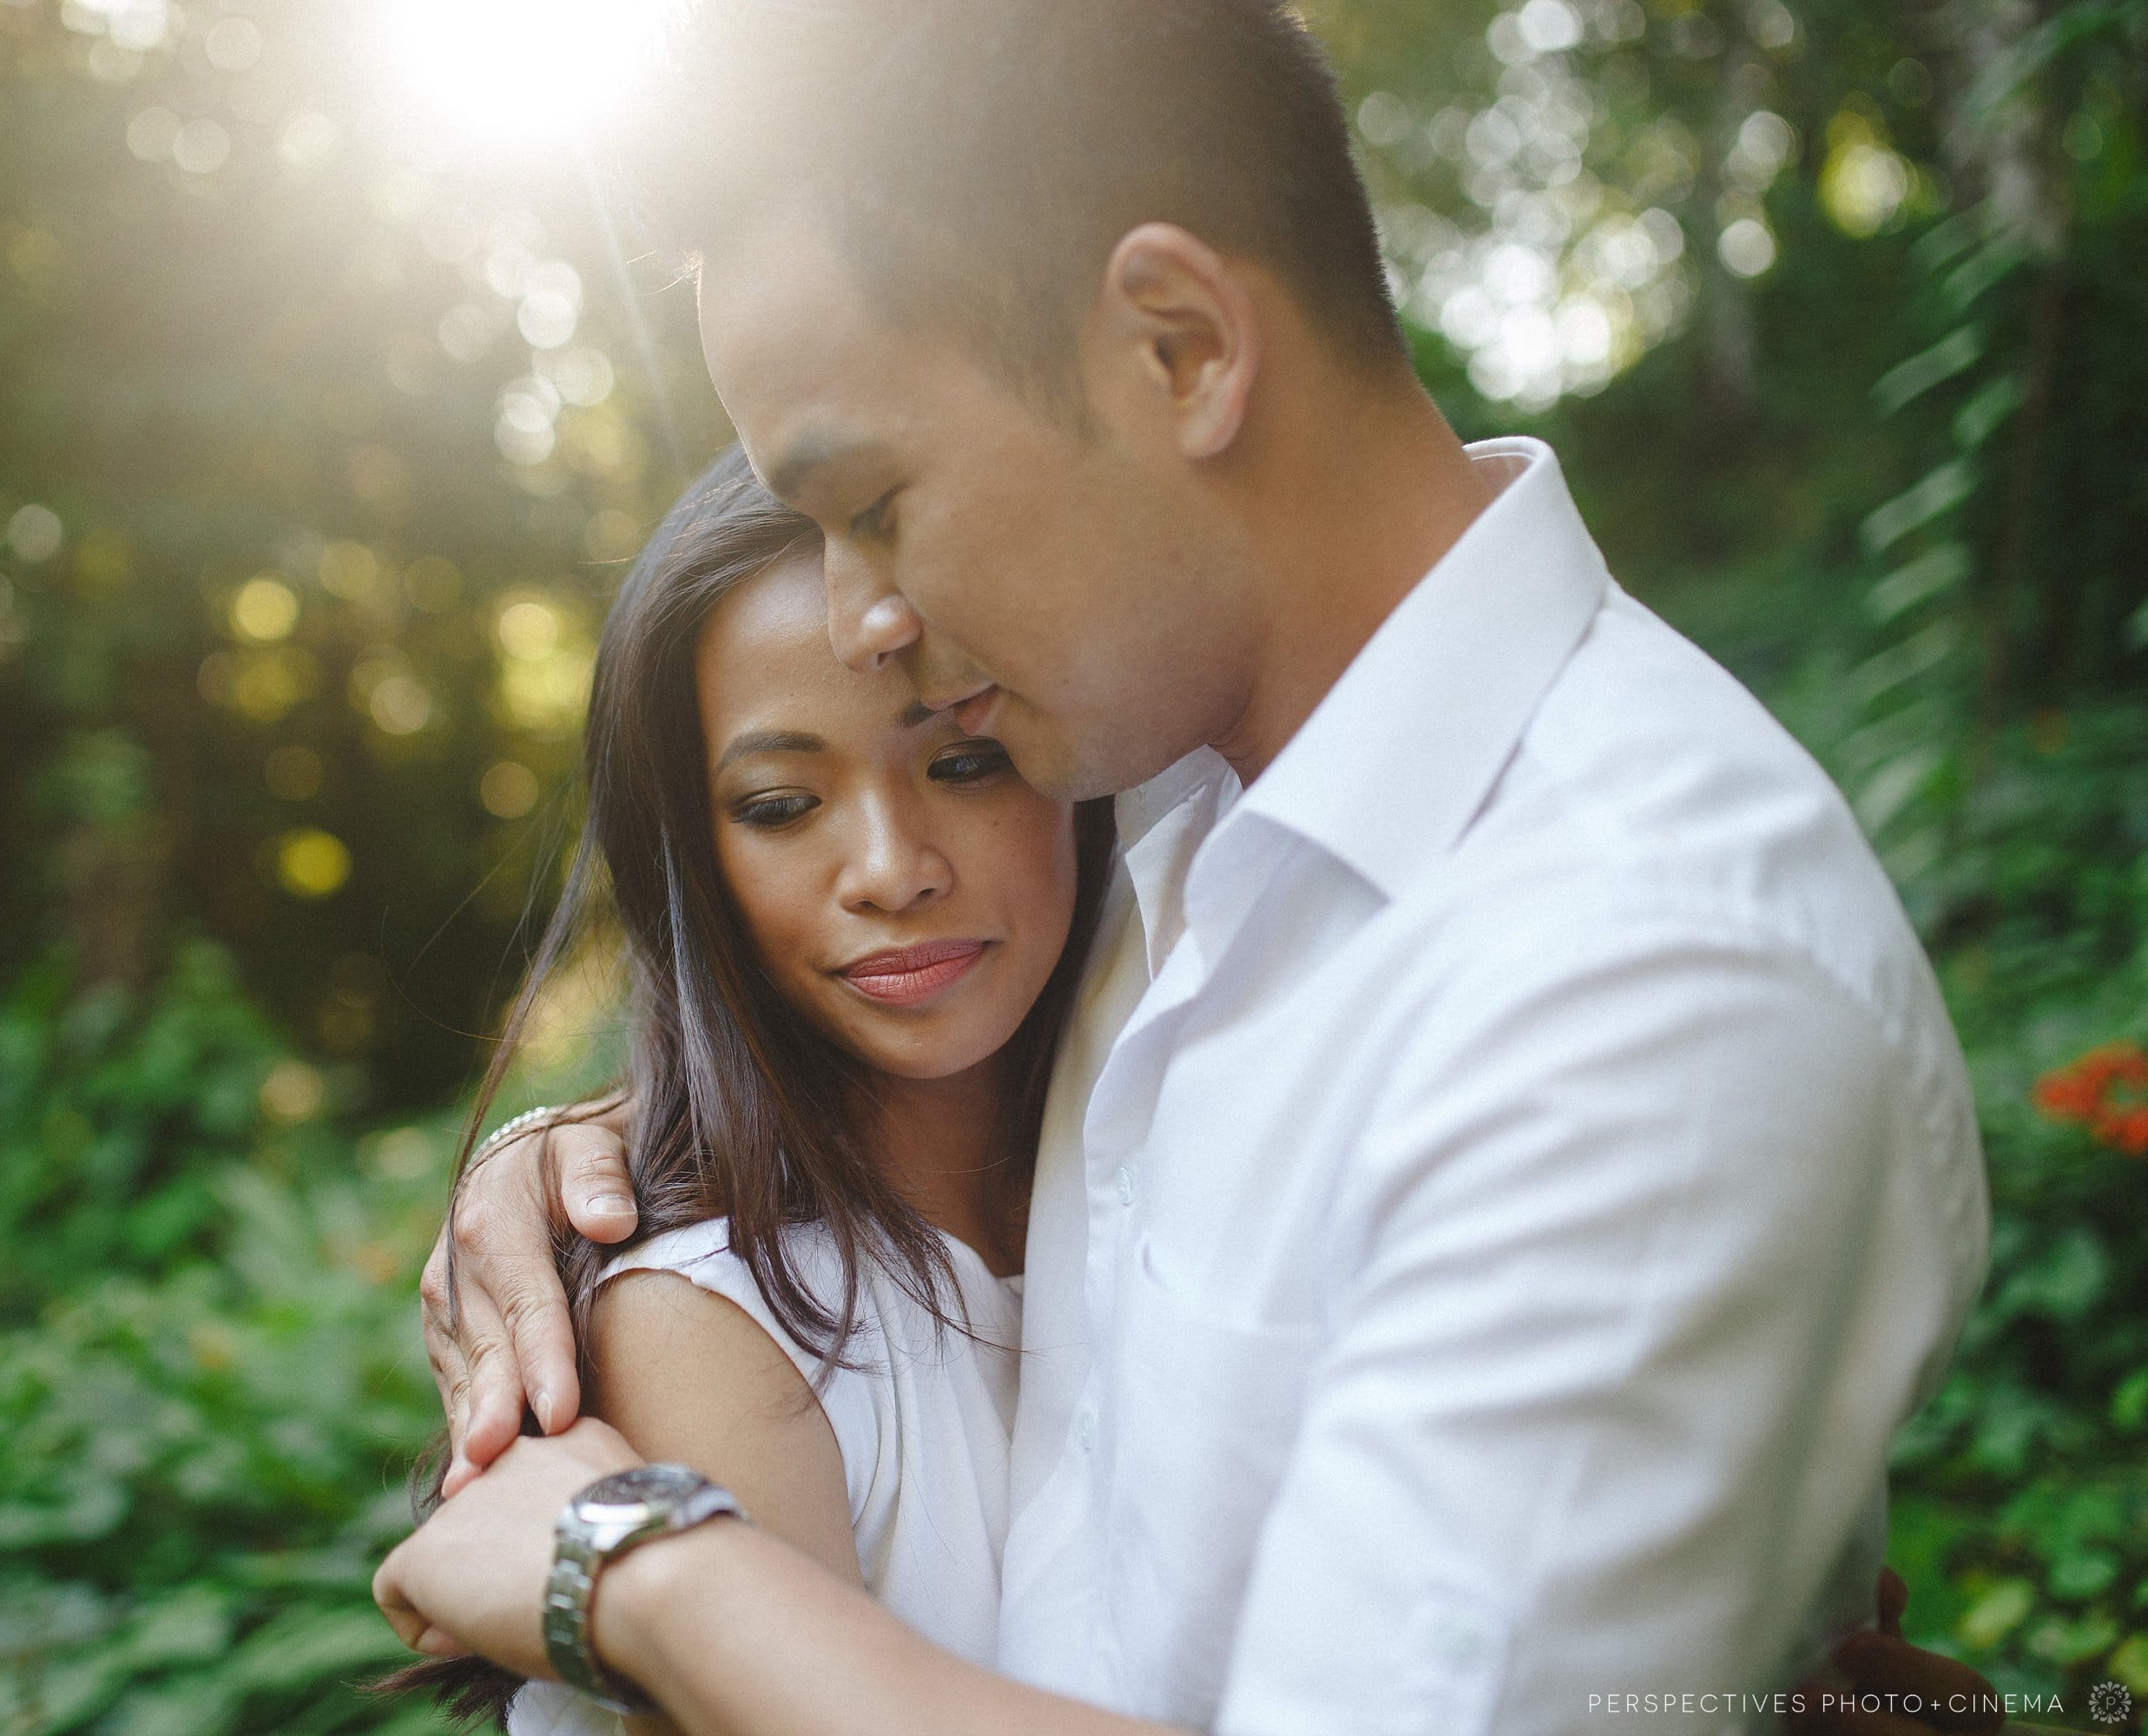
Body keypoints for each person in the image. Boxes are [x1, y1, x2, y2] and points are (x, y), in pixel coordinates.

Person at [378, 3, 1997, 1733]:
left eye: (876, 500)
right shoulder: (1174, 805)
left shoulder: (1642, 989)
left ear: (1181, 346)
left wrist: (638, 1565)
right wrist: (612, 1153)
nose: (868, 618)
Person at [385, 444, 1111, 1733]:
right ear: (693, 858)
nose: (890, 869)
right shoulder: (715, 1323)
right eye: (782, 804)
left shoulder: (1149, 1131)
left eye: (961, 765)